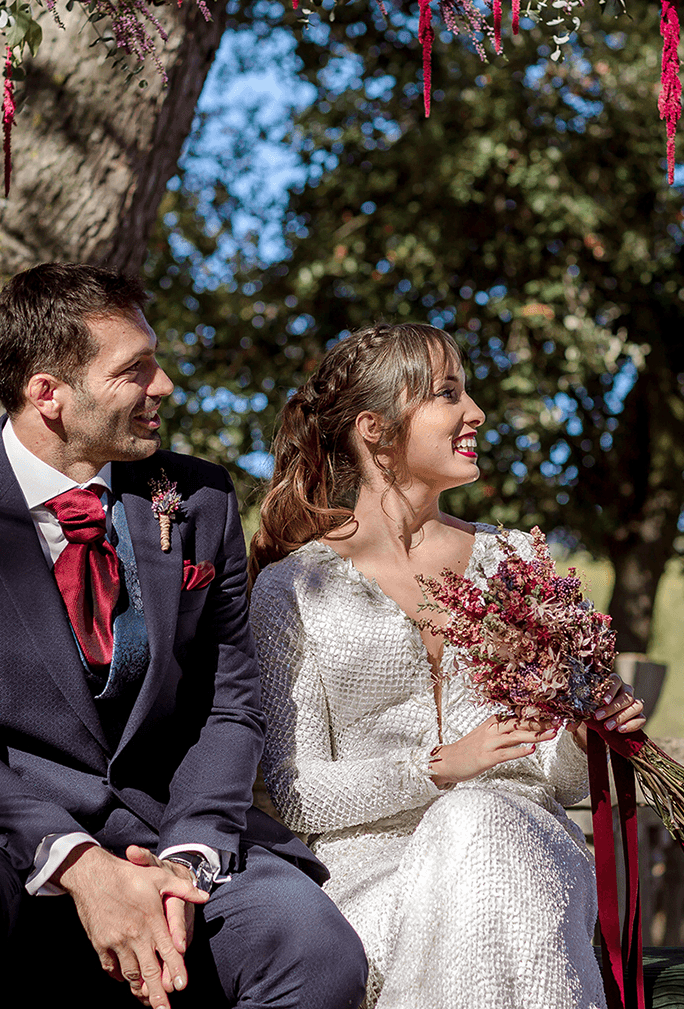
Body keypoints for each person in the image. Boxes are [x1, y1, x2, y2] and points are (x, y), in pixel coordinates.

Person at [0, 263, 367, 1009]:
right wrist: (82, 865)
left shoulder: (200, 499)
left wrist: (188, 859)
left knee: (313, 949)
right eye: (136, 370)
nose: (163, 387)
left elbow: (229, 706)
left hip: (175, 831)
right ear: (47, 395)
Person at [246, 323, 645, 1009]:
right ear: (376, 429)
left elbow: (559, 780)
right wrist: (434, 768)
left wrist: (583, 740)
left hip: (525, 847)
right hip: (375, 880)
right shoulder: (291, 591)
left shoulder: (517, 563)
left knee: (480, 825)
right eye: (447, 393)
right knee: (465, 827)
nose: (476, 412)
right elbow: (295, 793)